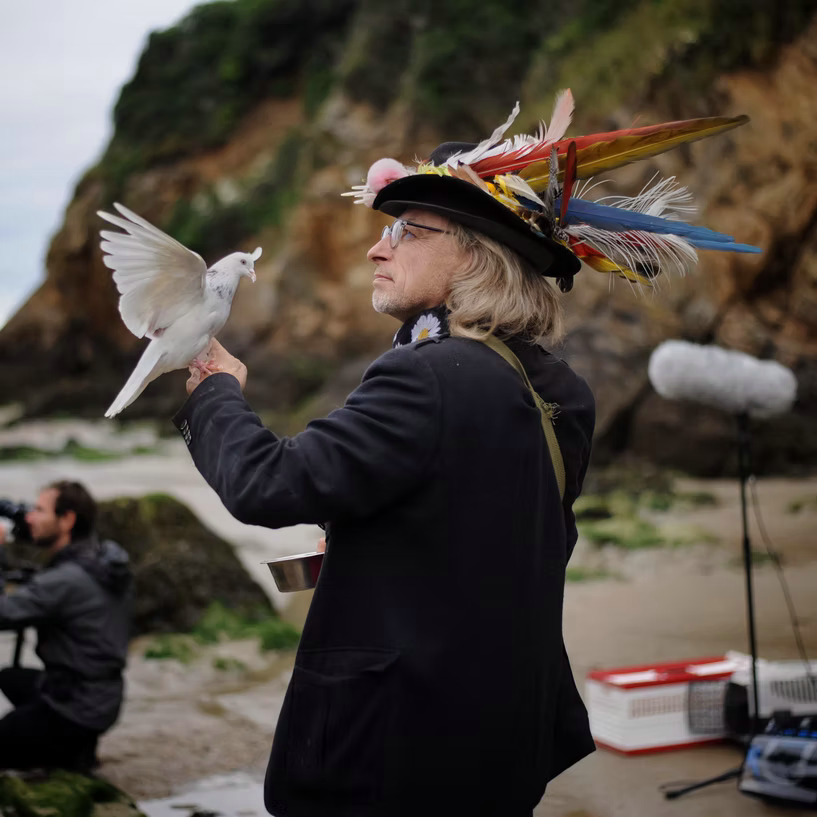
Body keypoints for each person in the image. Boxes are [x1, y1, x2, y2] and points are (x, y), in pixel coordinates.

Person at [171, 96, 758, 816]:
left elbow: (268, 483)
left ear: (477, 255)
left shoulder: (426, 374)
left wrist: (217, 391)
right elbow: (504, 537)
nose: (377, 249)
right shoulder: (564, 390)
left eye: (407, 231)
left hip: (392, 753)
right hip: (501, 742)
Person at [0, 481, 132, 772]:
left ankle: (65, 752)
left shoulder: (66, 580)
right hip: (102, 697)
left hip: (74, 709)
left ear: (67, 519)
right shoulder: (102, 560)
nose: (29, 517)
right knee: (10, 678)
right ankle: (80, 751)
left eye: (39, 510)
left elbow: (3, 614)